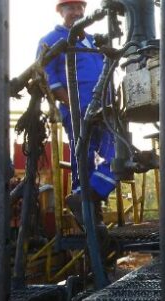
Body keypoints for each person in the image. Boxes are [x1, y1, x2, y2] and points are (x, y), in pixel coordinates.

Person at [37, 0, 116, 226]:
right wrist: (71, 104)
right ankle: (87, 209)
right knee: (83, 156)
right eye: (71, 8)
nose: (77, 12)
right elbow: (47, 76)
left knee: (119, 150)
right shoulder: (51, 41)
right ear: (61, 12)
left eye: (80, 8)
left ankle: (86, 198)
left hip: (105, 109)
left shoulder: (90, 39)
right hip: (78, 110)